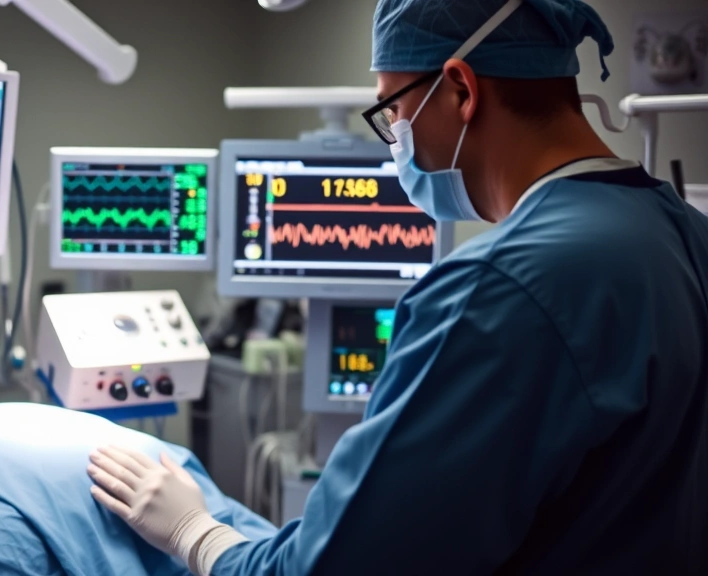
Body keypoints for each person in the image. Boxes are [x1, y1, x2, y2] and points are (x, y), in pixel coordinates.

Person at [87, 0, 708, 574]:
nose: (396, 139)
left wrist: (196, 531)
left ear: (462, 88)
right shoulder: (684, 232)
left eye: (395, 109)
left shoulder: (498, 288)